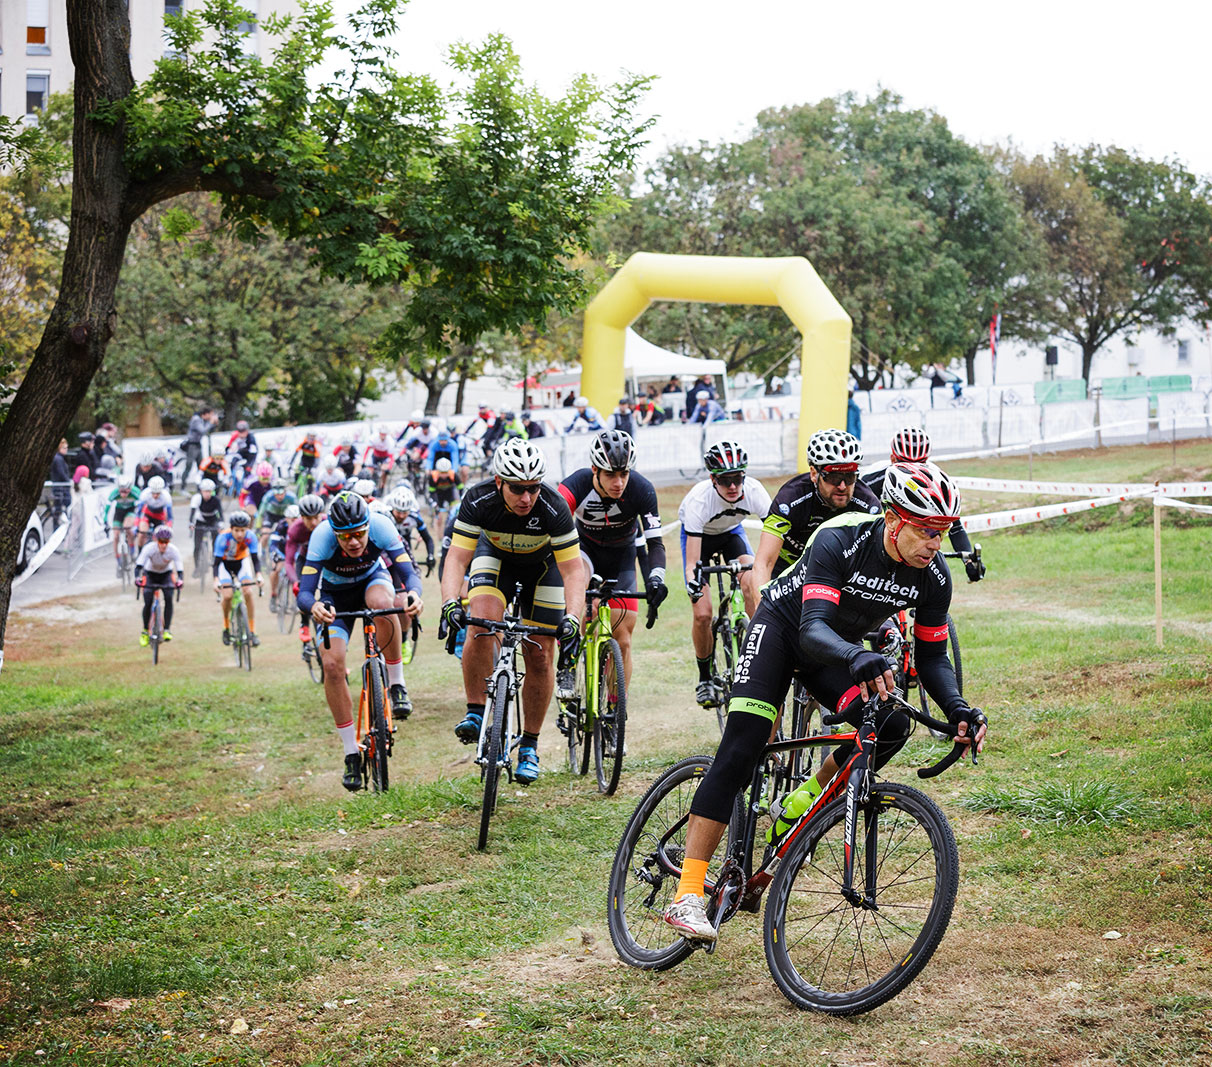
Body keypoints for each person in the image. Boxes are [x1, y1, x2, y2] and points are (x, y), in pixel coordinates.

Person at [661, 461, 988, 942]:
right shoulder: (843, 538)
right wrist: (858, 654)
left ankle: (802, 800)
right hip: (785, 631)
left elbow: (934, 658)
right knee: (742, 747)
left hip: (834, 650)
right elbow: (812, 627)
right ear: (894, 520)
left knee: (892, 726)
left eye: (941, 532)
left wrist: (958, 708)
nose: (936, 545)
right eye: (925, 530)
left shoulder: (934, 575)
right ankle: (686, 896)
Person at [439, 438, 587, 785]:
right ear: (498, 482)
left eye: (533, 488)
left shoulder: (553, 507)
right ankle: (476, 711)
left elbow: (573, 571)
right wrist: (449, 601)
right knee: (482, 621)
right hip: (497, 559)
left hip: (543, 568)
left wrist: (574, 617)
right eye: (518, 489)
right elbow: (457, 558)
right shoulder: (478, 499)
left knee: (539, 653)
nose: (527, 498)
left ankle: (530, 746)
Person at [297, 491, 424, 790]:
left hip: (373, 581)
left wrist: (414, 594)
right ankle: (350, 754)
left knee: (384, 602)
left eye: (359, 535)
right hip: (334, 596)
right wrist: (314, 607)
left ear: (368, 526)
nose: (353, 542)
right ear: (334, 533)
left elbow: (408, 573)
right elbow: (305, 592)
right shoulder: (321, 536)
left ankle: (397, 684)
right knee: (331, 664)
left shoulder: (382, 525)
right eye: (345, 537)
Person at [557, 430, 667, 687]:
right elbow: (556, 533)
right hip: (583, 552)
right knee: (581, 610)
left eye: (624, 474)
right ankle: (568, 666)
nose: (618, 482)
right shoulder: (574, 486)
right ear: (595, 469)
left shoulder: (642, 489)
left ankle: (615, 712)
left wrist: (656, 578)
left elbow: (655, 543)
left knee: (623, 639)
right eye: (610, 474)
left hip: (622, 557)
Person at [677, 441, 771, 707]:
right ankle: (705, 678)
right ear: (713, 479)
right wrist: (694, 583)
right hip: (700, 540)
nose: (733, 486)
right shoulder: (699, 501)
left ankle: (762, 649)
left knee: (755, 583)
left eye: (738, 478)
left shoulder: (754, 491)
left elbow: (774, 541)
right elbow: (693, 562)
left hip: (732, 535)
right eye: (725, 480)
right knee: (703, 613)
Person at [752, 428, 881, 588]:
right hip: (788, 566)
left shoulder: (868, 505)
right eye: (834, 477)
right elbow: (763, 564)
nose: (842, 486)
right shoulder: (791, 499)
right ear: (814, 473)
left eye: (849, 477)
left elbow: (880, 563)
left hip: (834, 567)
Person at [862, 427, 985, 582]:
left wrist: (969, 560)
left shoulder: (934, 477)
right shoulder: (874, 478)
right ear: (892, 459)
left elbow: (954, 525)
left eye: (920, 463)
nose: (912, 470)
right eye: (904, 463)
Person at [213, 509, 263, 646]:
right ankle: (226, 627)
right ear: (231, 528)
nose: (240, 534)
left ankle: (252, 631)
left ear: (247, 528)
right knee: (228, 596)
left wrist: (258, 575)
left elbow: (255, 559)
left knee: (248, 592)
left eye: (243, 530)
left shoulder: (251, 537)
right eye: (236, 530)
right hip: (224, 564)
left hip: (242, 562)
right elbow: (216, 563)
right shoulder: (223, 538)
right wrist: (216, 579)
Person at [285, 494, 327, 643]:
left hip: (325, 560)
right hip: (306, 560)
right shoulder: (295, 530)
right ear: (301, 518)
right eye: (309, 519)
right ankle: (304, 624)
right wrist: (295, 581)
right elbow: (289, 561)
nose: (314, 522)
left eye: (317, 517)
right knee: (302, 590)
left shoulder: (329, 523)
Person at [134, 525, 184, 645]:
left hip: (166, 574)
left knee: (168, 598)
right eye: (161, 542)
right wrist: (137, 578)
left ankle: (166, 629)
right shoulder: (149, 548)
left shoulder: (173, 550)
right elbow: (139, 565)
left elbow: (179, 568)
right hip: (150, 574)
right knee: (148, 600)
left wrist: (180, 580)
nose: (163, 545)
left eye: (166, 542)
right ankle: (145, 631)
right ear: (156, 540)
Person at [385, 484, 435, 574]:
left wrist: (430, 556)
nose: (401, 516)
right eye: (398, 512)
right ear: (392, 508)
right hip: (387, 546)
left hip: (405, 544)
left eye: (405, 512)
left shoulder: (414, 517)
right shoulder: (385, 516)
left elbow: (428, 539)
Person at [188, 478, 225, 575]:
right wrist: (191, 524)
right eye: (205, 491)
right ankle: (196, 568)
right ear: (201, 491)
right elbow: (192, 514)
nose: (207, 494)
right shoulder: (197, 498)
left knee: (216, 539)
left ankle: (214, 558)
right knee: (197, 546)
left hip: (212, 521)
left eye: (209, 491)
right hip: (200, 521)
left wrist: (221, 524)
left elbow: (220, 514)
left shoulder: (216, 500)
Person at [104, 475, 140, 560]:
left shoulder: (136, 492)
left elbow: (141, 508)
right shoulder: (114, 493)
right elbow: (106, 510)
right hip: (119, 512)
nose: (123, 494)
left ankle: (132, 550)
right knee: (116, 536)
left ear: (130, 488)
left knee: (127, 528)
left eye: (126, 492)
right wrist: (105, 521)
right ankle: (118, 559)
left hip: (130, 511)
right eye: (121, 491)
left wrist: (138, 521)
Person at [183, 405, 219, 485]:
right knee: (189, 465)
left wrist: (215, 423)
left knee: (201, 466)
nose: (211, 417)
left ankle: (202, 485)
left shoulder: (202, 420)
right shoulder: (196, 419)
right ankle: (183, 487)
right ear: (206, 414)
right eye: (211, 415)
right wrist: (211, 422)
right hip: (192, 445)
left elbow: (209, 430)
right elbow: (203, 430)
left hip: (198, 445)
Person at [135, 476, 174, 548]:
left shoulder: (166, 497)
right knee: (141, 533)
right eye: (153, 493)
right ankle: (140, 554)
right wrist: (136, 525)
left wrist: (169, 527)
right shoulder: (145, 494)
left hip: (159, 516)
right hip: (148, 514)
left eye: (158, 493)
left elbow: (170, 517)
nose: (155, 495)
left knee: (160, 537)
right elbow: (138, 512)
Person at [49, 438, 73, 523]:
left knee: (59, 509)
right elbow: (61, 473)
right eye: (64, 448)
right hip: (60, 488)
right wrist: (69, 482)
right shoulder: (58, 459)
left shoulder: (60, 458)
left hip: (61, 487)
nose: (66, 450)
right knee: (59, 510)